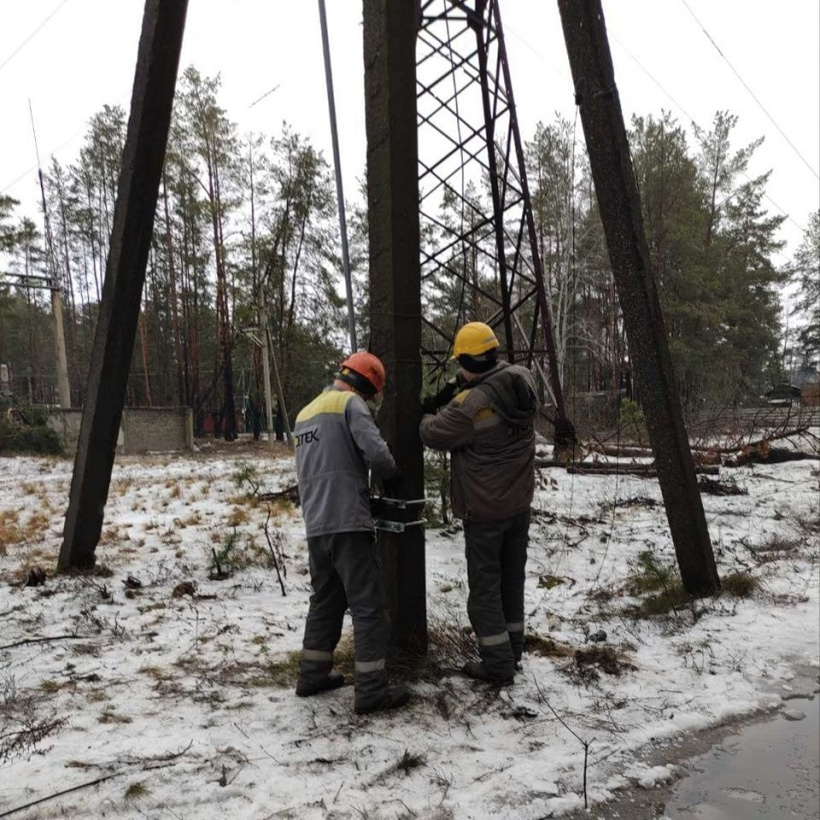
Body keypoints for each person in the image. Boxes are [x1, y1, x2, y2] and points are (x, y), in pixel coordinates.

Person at [420, 322, 538, 685]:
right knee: (511, 581)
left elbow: (431, 432)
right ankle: (512, 651)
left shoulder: (472, 406)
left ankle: (498, 665)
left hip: (485, 512)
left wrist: (425, 411)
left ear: (469, 360)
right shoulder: (524, 382)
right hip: (518, 506)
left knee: (484, 592)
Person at [293, 351, 410, 715]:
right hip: (348, 521)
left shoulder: (306, 413)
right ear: (366, 384)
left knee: (326, 600)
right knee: (368, 606)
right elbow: (377, 455)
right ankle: (372, 690)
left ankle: (312, 674)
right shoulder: (350, 405)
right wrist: (394, 474)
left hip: (316, 523)